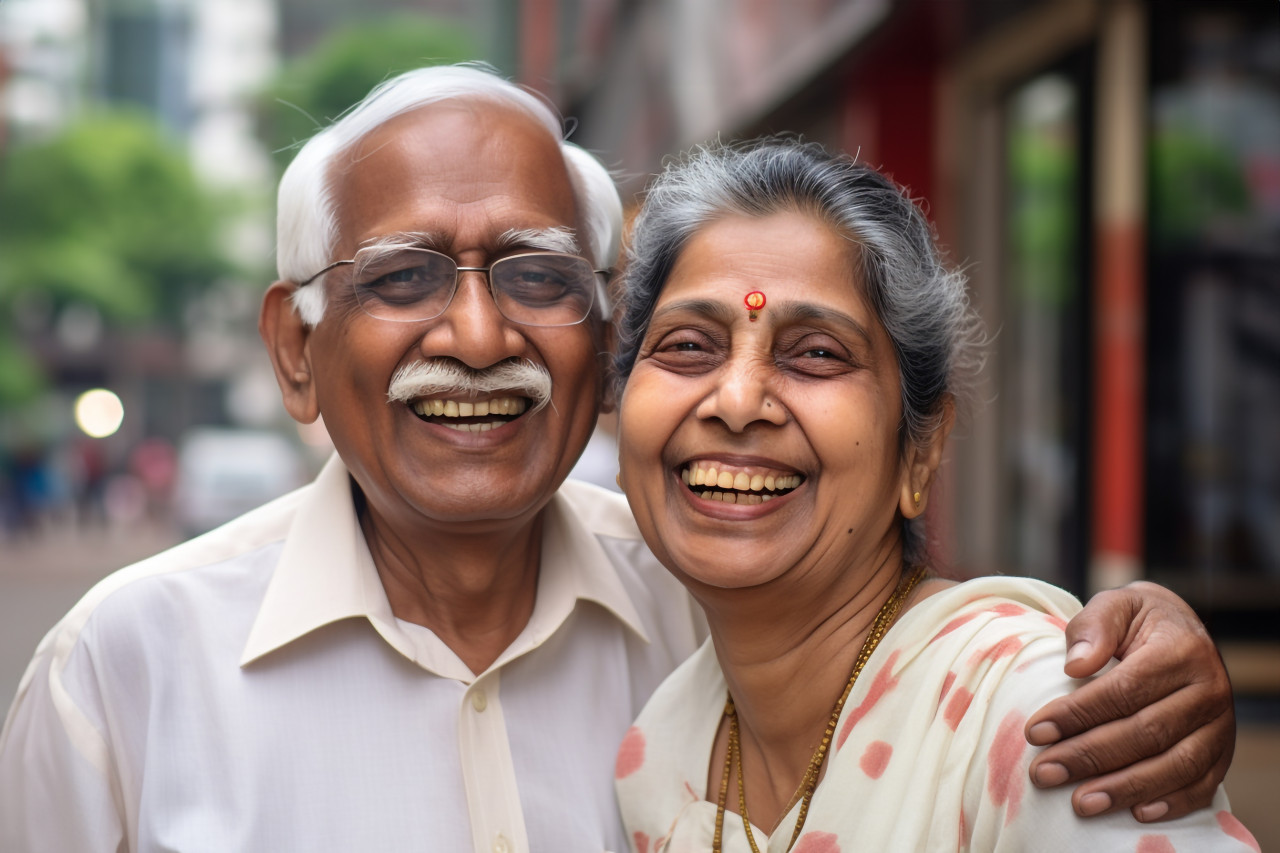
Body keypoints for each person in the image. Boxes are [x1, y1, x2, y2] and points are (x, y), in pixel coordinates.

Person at [0, 66, 1237, 852]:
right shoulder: (123, 673)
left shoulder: (714, 608)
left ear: (598, 355)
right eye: (402, 278)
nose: (477, 336)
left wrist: (1131, 650)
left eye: (537, 276)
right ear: (293, 349)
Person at [610, 138, 1258, 851]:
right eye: (688, 345)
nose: (736, 400)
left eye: (818, 352)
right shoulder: (661, 752)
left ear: (920, 450)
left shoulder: (1042, 719)